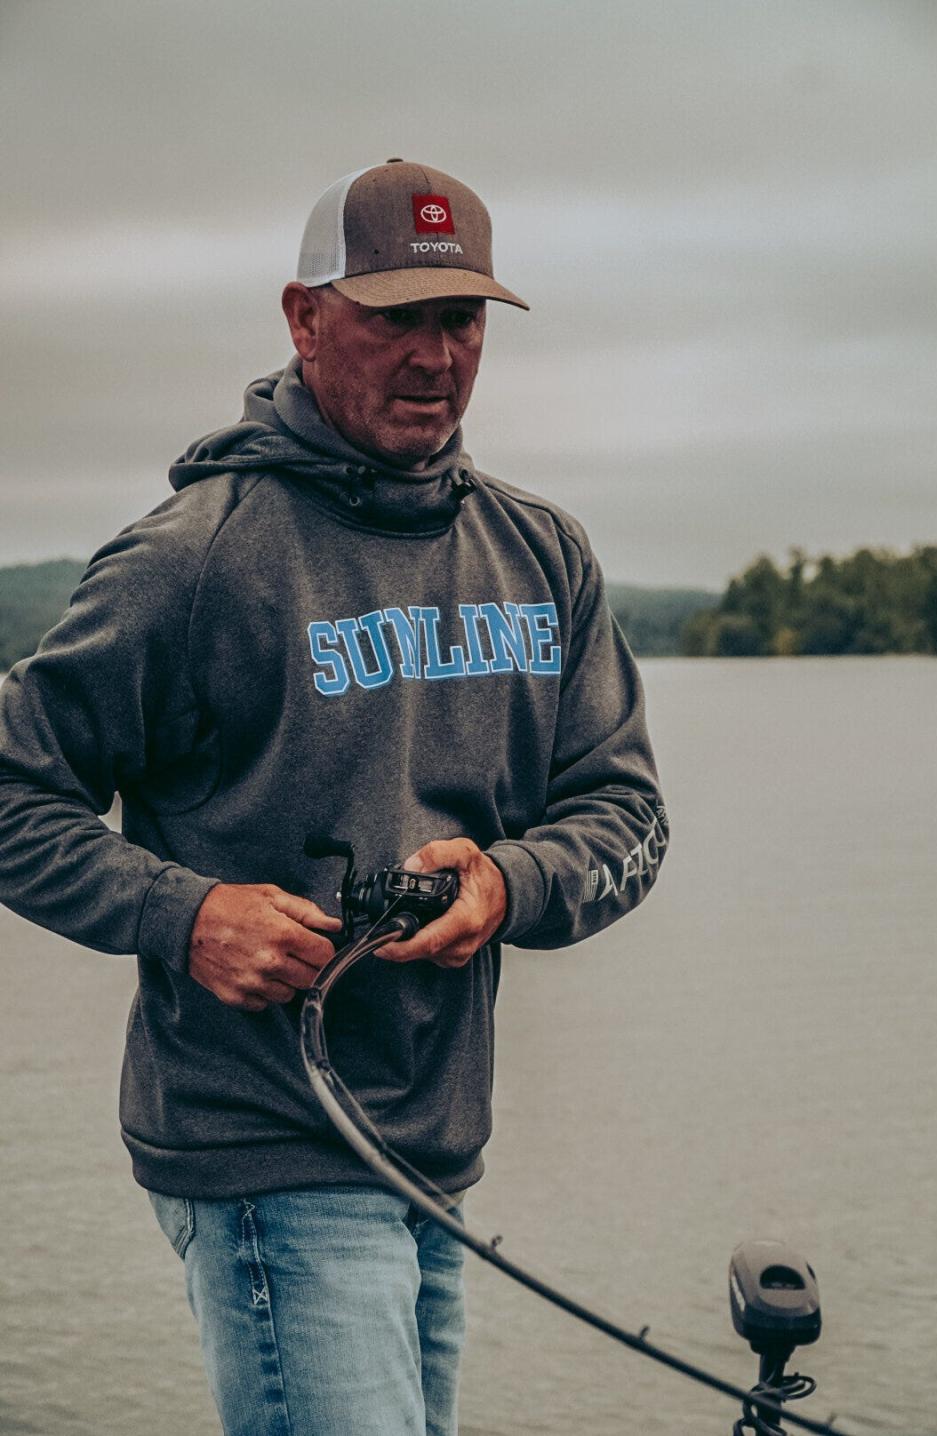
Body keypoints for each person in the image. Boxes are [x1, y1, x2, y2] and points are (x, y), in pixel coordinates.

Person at [0, 159, 668, 1435]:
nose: (435, 355)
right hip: (264, 1145)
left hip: (432, 1152)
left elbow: (626, 810)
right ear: (305, 319)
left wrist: (506, 883)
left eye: (460, 318)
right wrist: (184, 914)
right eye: (395, 316)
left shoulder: (542, 555)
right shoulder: (196, 560)